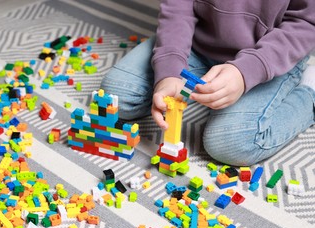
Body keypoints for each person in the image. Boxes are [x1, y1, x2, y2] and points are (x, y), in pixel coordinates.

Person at [100, 0, 315, 166]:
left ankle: (309, 92)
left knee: (231, 142)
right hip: (199, 42)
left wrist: (246, 72)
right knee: (116, 97)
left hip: (271, 53)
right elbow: (178, 7)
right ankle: (201, 84)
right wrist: (169, 70)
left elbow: (307, 22)